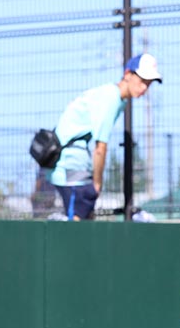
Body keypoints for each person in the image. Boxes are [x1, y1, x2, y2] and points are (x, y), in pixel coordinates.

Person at [47, 53, 161, 220]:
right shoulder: (111, 98)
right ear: (127, 74)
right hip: (68, 162)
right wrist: (97, 183)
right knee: (77, 220)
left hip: (69, 160)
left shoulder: (115, 97)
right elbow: (100, 148)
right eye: (142, 80)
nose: (144, 87)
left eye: (149, 83)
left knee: (84, 216)